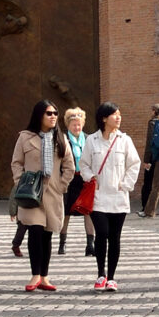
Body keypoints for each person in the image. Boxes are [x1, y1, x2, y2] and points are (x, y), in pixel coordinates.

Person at [10, 100, 75, 292]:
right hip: (31, 193)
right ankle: (35, 274)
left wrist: (62, 185)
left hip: (52, 193)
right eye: (48, 113)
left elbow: (69, 166)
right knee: (35, 231)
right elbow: (16, 162)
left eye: (55, 113)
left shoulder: (61, 138)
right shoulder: (25, 137)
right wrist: (20, 181)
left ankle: (45, 276)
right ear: (39, 115)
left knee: (47, 234)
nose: (53, 116)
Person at [79, 101, 141, 291]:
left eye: (119, 114)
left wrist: (126, 184)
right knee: (102, 233)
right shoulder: (92, 140)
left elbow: (134, 163)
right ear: (104, 118)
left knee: (115, 237)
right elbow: (84, 164)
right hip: (98, 196)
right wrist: (90, 177)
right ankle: (101, 274)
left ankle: (112, 278)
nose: (118, 117)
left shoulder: (125, 140)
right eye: (114, 114)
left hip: (118, 196)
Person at [61, 106, 90, 257]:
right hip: (69, 179)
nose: (77, 127)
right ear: (68, 125)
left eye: (79, 124)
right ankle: (62, 242)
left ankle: (90, 244)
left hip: (85, 179)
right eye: (74, 125)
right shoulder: (63, 139)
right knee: (66, 211)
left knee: (88, 211)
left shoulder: (89, 139)